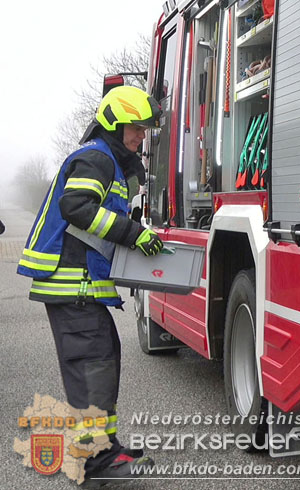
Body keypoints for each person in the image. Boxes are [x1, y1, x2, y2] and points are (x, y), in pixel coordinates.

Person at [17, 85, 164, 485]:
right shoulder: (97, 158)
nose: (141, 136)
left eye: (145, 129)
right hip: (71, 284)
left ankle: (105, 450)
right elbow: (76, 208)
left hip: (80, 286)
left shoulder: (108, 161)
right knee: (92, 367)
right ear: (115, 124)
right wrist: (133, 233)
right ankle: (97, 462)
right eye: (136, 128)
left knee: (103, 360)